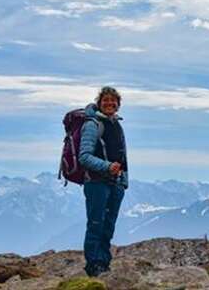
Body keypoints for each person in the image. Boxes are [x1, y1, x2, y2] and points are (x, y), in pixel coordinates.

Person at [78, 86, 129, 277]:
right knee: (96, 223)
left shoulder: (116, 124)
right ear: (99, 103)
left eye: (113, 101)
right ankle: (94, 265)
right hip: (96, 183)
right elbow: (83, 156)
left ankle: (104, 262)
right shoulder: (92, 125)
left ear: (118, 105)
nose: (109, 103)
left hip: (115, 183)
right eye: (105, 100)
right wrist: (106, 166)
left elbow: (122, 155)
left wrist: (123, 181)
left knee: (108, 224)